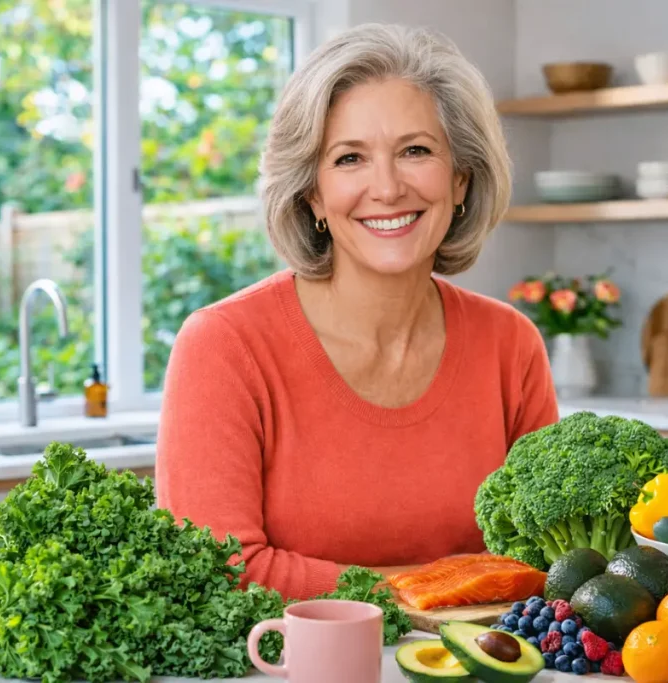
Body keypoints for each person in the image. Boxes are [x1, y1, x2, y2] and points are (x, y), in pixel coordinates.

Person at [155, 23, 558, 601]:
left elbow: (546, 556)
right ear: (313, 194)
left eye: (416, 151)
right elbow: (221, 569)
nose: (388, 188)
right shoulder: (224, 345)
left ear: (461, 178)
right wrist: (425, 590)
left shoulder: (510, 344)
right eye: (350, 159)